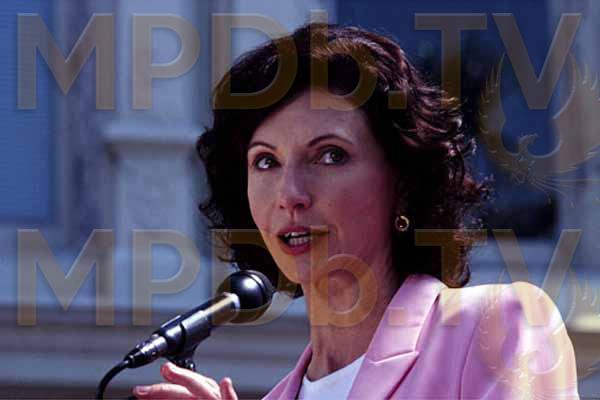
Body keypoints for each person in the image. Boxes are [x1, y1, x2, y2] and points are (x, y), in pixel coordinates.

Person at [132, 23, 580, 399]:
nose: (290, 194)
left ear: (403, 183)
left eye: (330, 156)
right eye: (265, 162)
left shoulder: (495, 326)